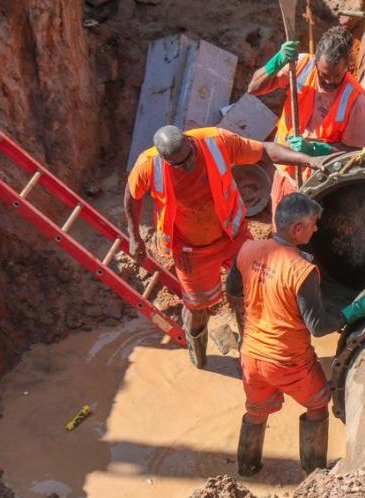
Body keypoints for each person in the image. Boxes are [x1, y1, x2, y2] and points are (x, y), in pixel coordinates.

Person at [225, 193, 365, 476]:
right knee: (317, 404)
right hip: (288, 360)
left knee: (256, 411)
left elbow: (233, 291)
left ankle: (247, 467)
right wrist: (355, 310)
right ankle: (314, 474)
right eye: (313, 224)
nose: (316, 229)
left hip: (251, 355)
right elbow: (319, 327)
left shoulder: (248, 250)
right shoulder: (302, 271)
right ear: (298, 229)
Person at [124, 125, 316, 370]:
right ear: (165, 160)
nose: (189, 165)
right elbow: (132, 195)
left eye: (190, 156)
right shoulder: (147, 166)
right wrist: (134, 237)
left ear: (190, 142)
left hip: (232, 236)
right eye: (180, 164)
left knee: (250, 293)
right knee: (197, 308)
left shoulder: (216, 141)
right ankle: (199, 353)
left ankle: (253, 353)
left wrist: (308, 160)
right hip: (189, 250)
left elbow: (264, 150)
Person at [248, 26, 365, 216]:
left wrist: (315, 150)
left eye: (336, 75)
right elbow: (254, 88)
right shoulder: (300, 65)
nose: (328, 81)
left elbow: (356, 152)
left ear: (347, 66)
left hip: (320, 183)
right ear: (315, 61)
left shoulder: (355, 99)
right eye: (323, 74)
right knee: (282, 231)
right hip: (285, 171)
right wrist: (276, 62)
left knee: (307, 237)